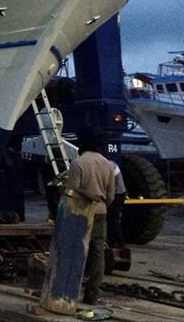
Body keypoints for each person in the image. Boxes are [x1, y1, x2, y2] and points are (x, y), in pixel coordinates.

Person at [63, 127, 115, 305]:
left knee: (76, 251)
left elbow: (71, 190)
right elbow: (111, 195)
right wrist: (100, 204)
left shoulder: (78, 163)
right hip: (101, 213)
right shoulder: (108, 164)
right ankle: (92, 295)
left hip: (80, 213)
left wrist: (86, 197)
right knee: (97, 253)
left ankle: (68, 291)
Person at [107, 160, 127, 248]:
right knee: (111, 219)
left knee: (112, 219)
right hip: (119, 193)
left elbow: (110, 186)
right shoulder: (110, 163)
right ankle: (113, 242)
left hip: (117, 194)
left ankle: (119, 243)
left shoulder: (108, 166)